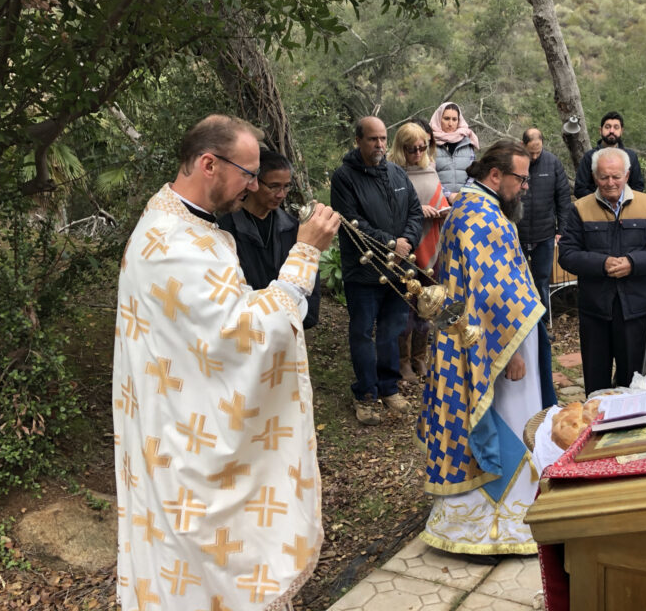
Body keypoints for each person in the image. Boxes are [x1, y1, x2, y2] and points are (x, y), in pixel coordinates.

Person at [113, 114, 340, 611]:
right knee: (200, 578)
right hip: (185, 447)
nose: (255, 186)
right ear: (209, 164)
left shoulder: (181, 223)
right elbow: (243, 334)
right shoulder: (172, 242)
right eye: (248, 173)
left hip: (179, 419)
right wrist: (304, 255)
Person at [418, 140, 557, 557]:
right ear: (496, 176)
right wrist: (509, 352)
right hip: (497, 345)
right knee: (513, 418)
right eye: (521, 179)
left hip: (489, 337)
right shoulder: (481, 216)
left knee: (516, 416)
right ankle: (505, 524)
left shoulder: (470, 208)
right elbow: (490, 294)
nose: (526, 187)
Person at [559, 147, 646, 395]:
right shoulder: (579, 208)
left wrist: (633, 263)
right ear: (594, 177)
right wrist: (601, 264)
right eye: (603, 177)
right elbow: (567, 255)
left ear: (627, 174)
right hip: (595, 311)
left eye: (616, 176)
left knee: (633, 382)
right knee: (596, 386)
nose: (610, 183)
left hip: (635, 309)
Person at [331, 116, 423, 425]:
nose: (380, 145)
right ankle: (365, 394)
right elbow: (351, 222)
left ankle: (387, 387)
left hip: (398, 270)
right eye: (373, 139)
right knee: (363, 332)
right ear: (358, 140)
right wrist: (390, 243)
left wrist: (408, 241)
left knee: (391, 330)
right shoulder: (344, 178)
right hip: (364, 271)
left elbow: (414, 210)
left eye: (384, 139)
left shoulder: (396, 172)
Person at [218, 148, 321, 329]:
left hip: (289, 329)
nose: (281, 194)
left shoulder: (293, 228)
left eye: (286, 186)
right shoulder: (225, 231)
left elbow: (309, 283)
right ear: (254, 183)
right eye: (273, 186)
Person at [387, 122, 448, 382]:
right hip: (407, 247)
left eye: (423, 147)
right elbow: (389, 213)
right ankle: (402, 361)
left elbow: (439, 198)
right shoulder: (392, 173)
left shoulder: (430, 170)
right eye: (413, 149)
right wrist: (417, 210)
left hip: (432, 242)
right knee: (407, 306)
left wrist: (443, 210)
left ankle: (420, 356)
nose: (419, 153)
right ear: (401, 148)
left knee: (427, 304)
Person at [516, 128, 573, 327]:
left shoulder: (553, 163)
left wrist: (561, 230)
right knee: (518, 280)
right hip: (518, 234)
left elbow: (563, 198)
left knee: (542, 281)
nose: (534, 156)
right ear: (523, 145)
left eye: (537, 152)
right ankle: (520, 324)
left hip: (545, 234)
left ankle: (543, 324)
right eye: (530, 152)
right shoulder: (514, 162)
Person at [572, 110, 644, 198]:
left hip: (625, 208)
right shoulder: (589, 157)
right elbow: (580, 189)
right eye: (607, 127)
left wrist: (621, 202)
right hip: (595, 208)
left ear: (621, 131)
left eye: (616, 127)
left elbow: (638, 187)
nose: (611, 131)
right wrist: (602, 200)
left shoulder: (631, 157)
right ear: (600, 130)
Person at [430, 101, 479, 202]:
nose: (450, 123)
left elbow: (474, 173)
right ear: (439, 119)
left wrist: (463, 194)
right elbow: (429, 176)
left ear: (459, 121)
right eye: (446, 118)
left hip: (465, 201)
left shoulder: (467, 142)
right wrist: (448, 195)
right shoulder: (430, 143)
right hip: (438, 202)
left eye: (454, 119)